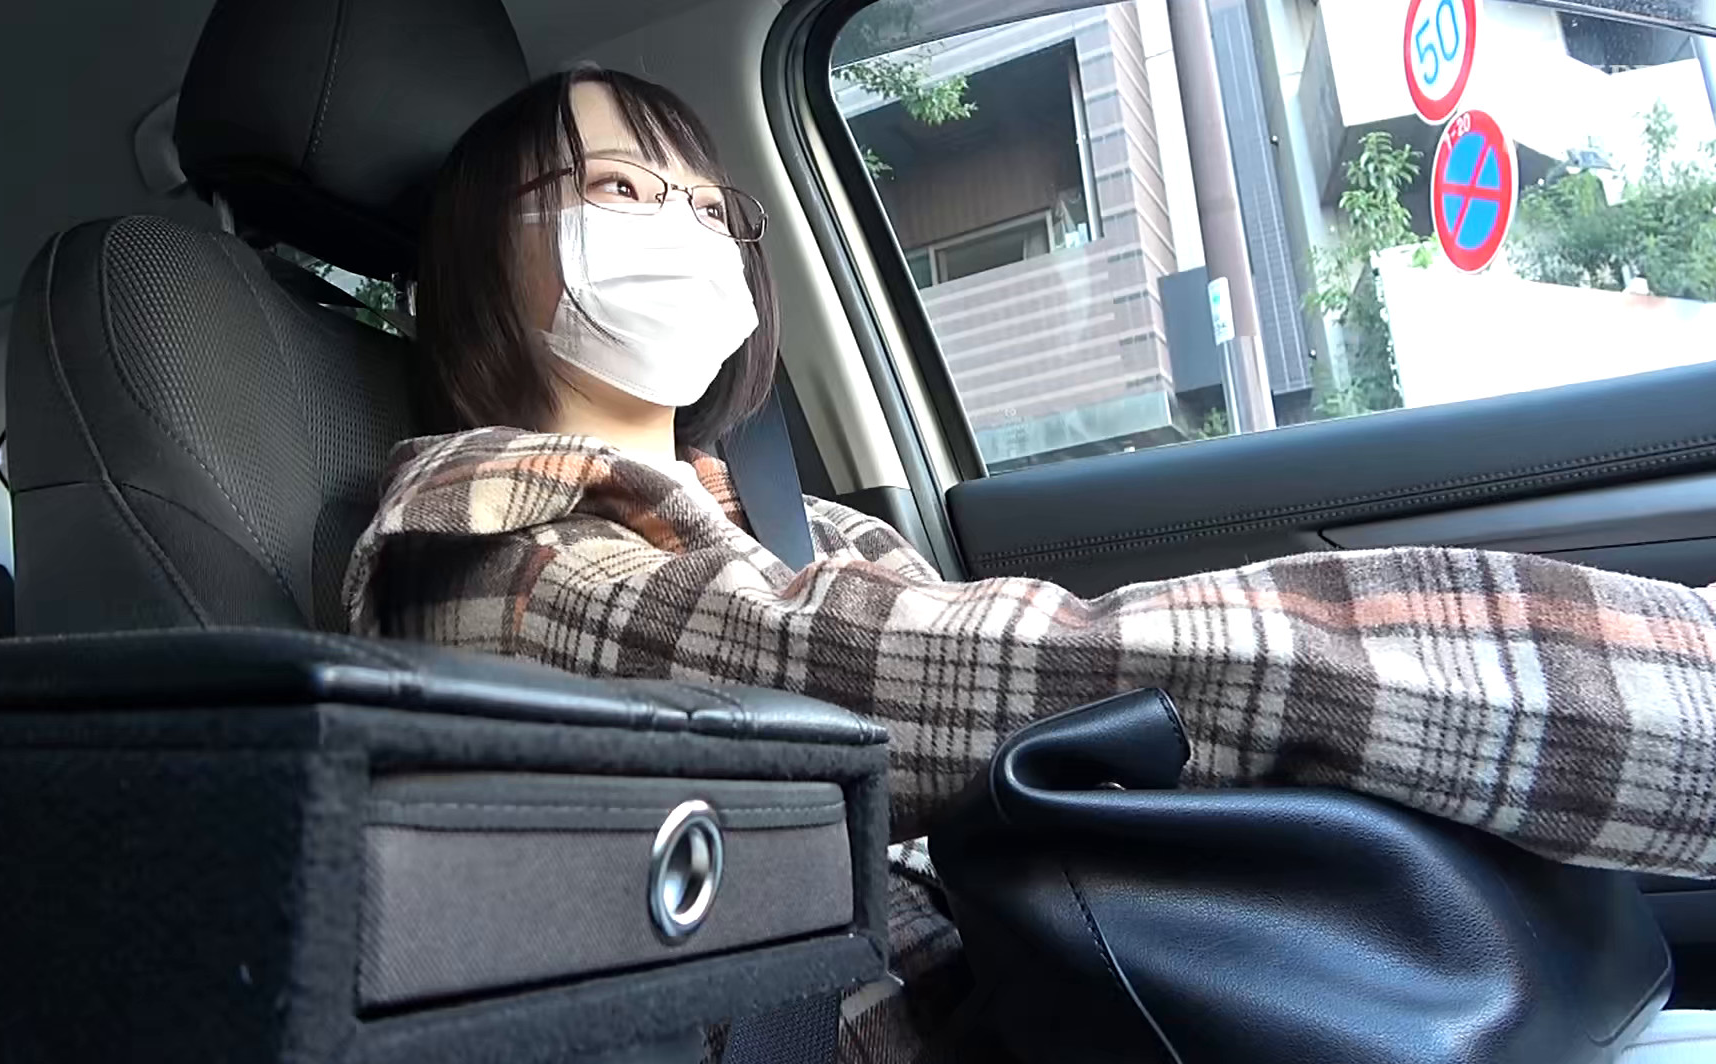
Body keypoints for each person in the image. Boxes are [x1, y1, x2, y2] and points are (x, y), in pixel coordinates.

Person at [346, 67, 1716, 1060]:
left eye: (711, 209)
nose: (684, 229)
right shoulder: (505, 548)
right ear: (481, 254)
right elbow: (1005, 677)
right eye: (619, 188)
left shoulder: (781, 520)